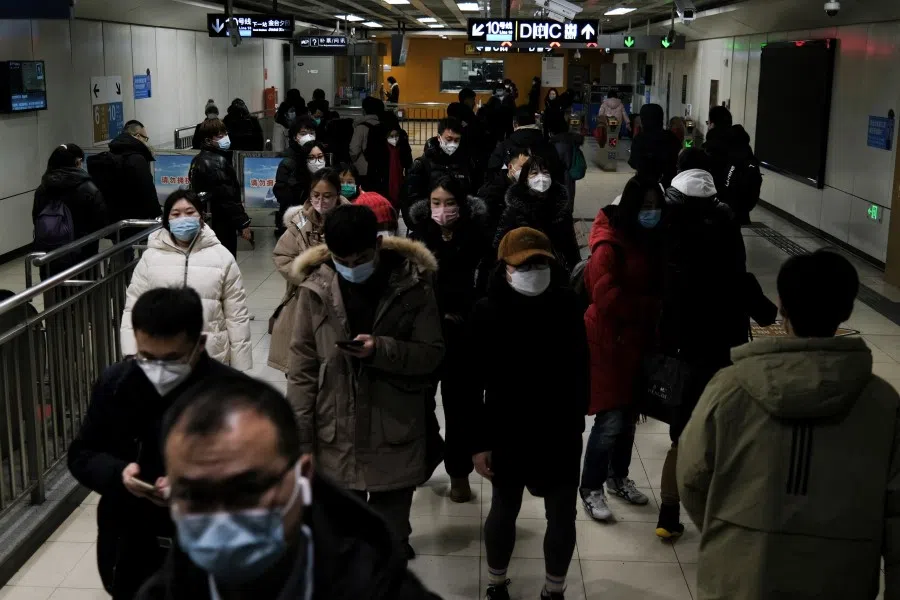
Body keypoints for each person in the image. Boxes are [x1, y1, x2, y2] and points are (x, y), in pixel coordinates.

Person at [677, 249, 900, 600]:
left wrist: (733, 531)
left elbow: (691, 477)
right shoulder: (884, 405)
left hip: (741, 576)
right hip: (841, 579)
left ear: (782, 307)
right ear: (846, 311)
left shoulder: (730, 387)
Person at [135, 375, 441, 600]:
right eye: (194, 495)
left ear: (303, 475)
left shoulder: (384, 591)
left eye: (247, 490)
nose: (221, 516)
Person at [287, 204, 444, 559]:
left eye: (360, 258)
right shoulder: (316, 289)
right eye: (342, 260)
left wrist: (381, 350)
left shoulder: (412, 285)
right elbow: (302, 371)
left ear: (377, 243)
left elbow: (431, 354)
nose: (351, 268)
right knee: (343, 545)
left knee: (389, 542)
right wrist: (300, 441)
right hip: (334, 433)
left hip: (395, 430)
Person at [69, 287, 243, 599]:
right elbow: (82, 453)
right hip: (130, 540)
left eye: (173, 358)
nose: (159, 369)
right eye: (147, 357)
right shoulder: (116, 385)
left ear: (199, 344)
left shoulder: (232, 394)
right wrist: (119, 473)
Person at [654, 148, 775, 538]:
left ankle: (668, 515)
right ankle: (715, 515)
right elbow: (748, 287)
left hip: (684, 349)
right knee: (720, 431)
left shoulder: (670, 221)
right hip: (725, 349)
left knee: (681, 431)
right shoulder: (725, 221)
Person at [466, 227, 588, 600]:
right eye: (524, 264)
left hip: (560, 426)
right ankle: (497, 582)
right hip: (507, 425)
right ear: (504, 267)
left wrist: (578, 419)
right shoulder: (487, 310)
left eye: (540, 262)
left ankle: (554, 590)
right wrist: (479, 442)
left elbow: (581, 367)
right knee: (505, 506)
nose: (533, 270)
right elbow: (472, 382)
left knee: (562, 513)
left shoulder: (568, 304)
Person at [579, 176, 664, 522]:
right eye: (645, 207)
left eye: (657, 207)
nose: (652, 213)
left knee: (628, 416)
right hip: (609, 341)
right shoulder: (608, 245)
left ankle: (618, 477)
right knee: (611, 417)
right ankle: (591, 486)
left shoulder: (649, 240)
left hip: (637, 342)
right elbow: (607, 297)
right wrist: (651, 307)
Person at [409, 177, 491, 502]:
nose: (442, 210)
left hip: (465, 337)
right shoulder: (418, 238)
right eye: (436, 203)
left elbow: (485, 287)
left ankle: (459, 473)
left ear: (462, 203)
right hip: (424, 335)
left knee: (462, 406)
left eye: (449, 203)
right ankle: (430, 455)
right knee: (419, 403)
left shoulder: (479, 238)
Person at [121, 190, 253, 372]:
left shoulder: (222, 257)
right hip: (160, 359)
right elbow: (132, 308)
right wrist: (130, 354)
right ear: (167, 220)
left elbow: (236, 315)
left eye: (190, 212)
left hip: (211, 358)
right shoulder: (150, 258)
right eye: (176, 214)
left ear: (201, 217)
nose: (183, 218)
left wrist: (240, 367)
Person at [268, 168, 349, 373]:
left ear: (338, 195)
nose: (321, 201)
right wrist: (306, 276)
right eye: (316, 195)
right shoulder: (300, 222)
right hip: (304, 298)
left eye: (327, 196)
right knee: (301, 365)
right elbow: (282, 256)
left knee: (335, 365)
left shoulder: (352, 219)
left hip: (342, 300)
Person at [494, 155, 579, 271]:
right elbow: (500, 246)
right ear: (525, 179)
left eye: (545, 172)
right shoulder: (514, 211)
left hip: (556, 270)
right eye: (534, 173)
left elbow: (571, 246)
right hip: (523, 270)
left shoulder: (561, 211)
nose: (541, 177)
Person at [32, 144, 107, 272]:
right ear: (77, 162)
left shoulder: (42, 189)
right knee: (85, 289)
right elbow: (101, 222)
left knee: (53, 288)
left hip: (50, 255)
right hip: (83, 254)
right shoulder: (88, 189)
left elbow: (36, 218)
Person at [189, 118, 252, 257]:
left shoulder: (197, 160)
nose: (225, 138)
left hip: (207, 220)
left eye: (225, 134)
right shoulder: (218, 162)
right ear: (207, 140)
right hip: (222, 222)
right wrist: (243, 223)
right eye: (219, 136)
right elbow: (228, 197)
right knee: (225, 258)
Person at [88, 120, 160, 227]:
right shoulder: (137, 159)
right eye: (145, 138)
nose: (146, 142)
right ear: (137, 136)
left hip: (114, 221)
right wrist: (158, 215)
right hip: (136, 221)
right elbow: (148, 191)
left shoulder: (110, 156)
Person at [404, 117, 472, 228]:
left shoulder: (465, 163)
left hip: (459, 228)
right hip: (429, 228)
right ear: (439, 137)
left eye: (456, 140)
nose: (453, 144)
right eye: (449, 139)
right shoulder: (422, 165)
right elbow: (411, 201)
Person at [704, 105, 762, 225]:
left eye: (708, 123)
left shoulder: (711, 146)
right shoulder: (743, 145)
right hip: (739, 212)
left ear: (713, 124)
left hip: (716, 212)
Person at [489, 107, 564, 184]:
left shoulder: (504, 146)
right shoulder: (548, 147)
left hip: (508, 193)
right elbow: (558, 175)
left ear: (515, 124)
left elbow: (492, 173)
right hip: (543, 193)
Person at [273, 117, 320, 234]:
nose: (308, 136)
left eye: (311, 133)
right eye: (303, 133)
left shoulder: (319, 155)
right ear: (295, 137)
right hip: (294, 216)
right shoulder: (288, 162)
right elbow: (280, 192)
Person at [628, 103, 681, 187]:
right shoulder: (671, 137)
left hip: (643, 185)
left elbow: (633, 163)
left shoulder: (639, 139)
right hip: (670, 183)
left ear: (643, 120)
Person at [350, 96, 388, 193]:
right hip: (380, 167)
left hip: (363, 169)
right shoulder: (383, 125)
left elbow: (354, 149)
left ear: (364, 110)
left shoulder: (361, 127)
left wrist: (353, 162)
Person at [548, 118, 584, 214]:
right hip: (569, 179)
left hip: (561, 178)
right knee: (569, 200)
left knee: (561, 205)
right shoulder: (571, 141)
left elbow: (557, 164)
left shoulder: (558, 144)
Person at [381, 111, 414, 210]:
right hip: (390, 176)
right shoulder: (400, 134)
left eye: (396, 136)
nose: (394, 139)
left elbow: (407, 156)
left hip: (396, 175)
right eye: (391, 136)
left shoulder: (400, 136)